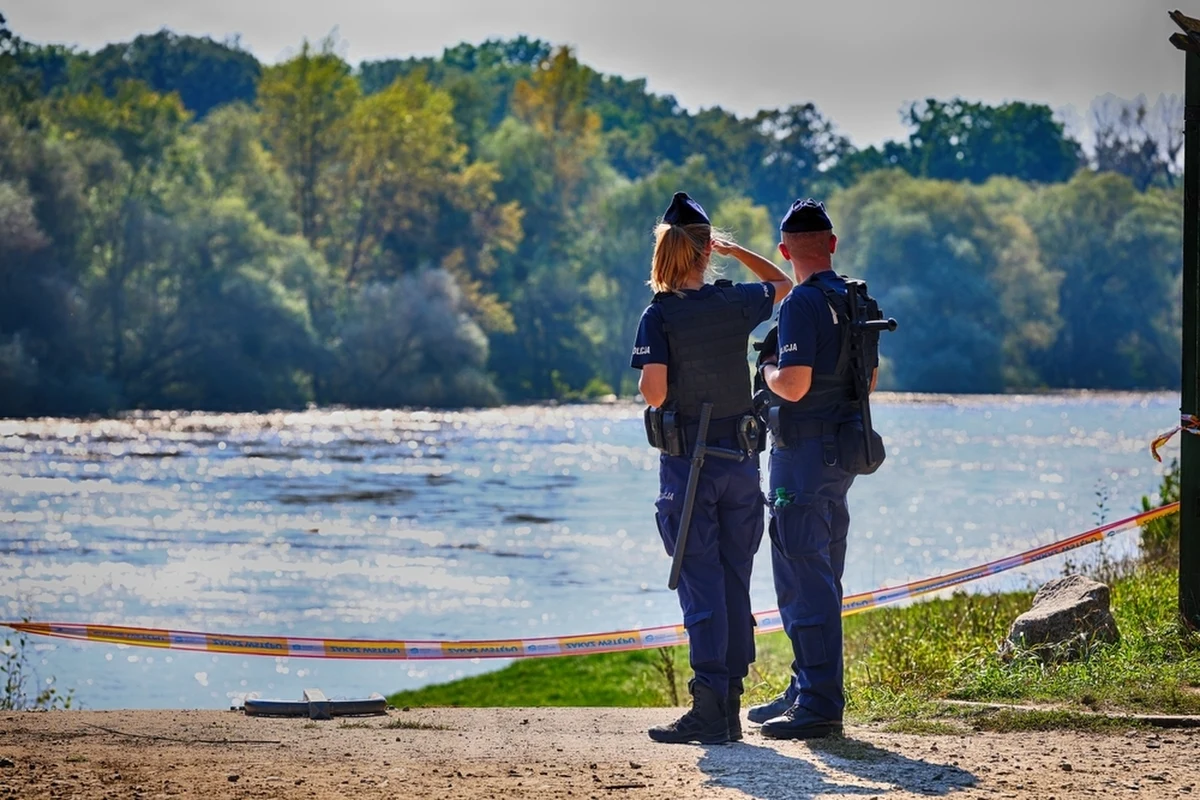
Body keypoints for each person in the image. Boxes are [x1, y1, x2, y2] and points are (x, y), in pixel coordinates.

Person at [631, 192, 792, 744]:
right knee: (733, 582)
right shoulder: (736, 303)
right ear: (706, 251)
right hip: (742, 466)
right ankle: (730, 706)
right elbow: (785, 284)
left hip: (688, 469)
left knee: (700, 584)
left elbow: (654, 394)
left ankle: (711, 712)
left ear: (663, 253)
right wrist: (738, 249)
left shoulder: (659, 315)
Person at [749, 198, 882, 739]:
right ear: (831, 243)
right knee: (822, 574)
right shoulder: (854, 297)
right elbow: (867, 382)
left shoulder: (802, 302)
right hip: (839, 457)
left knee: (804, 579)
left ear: (785, 251)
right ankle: (806, 686)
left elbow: (795, 384)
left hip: (802, 458)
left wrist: (769, 369)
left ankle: (820, 705)